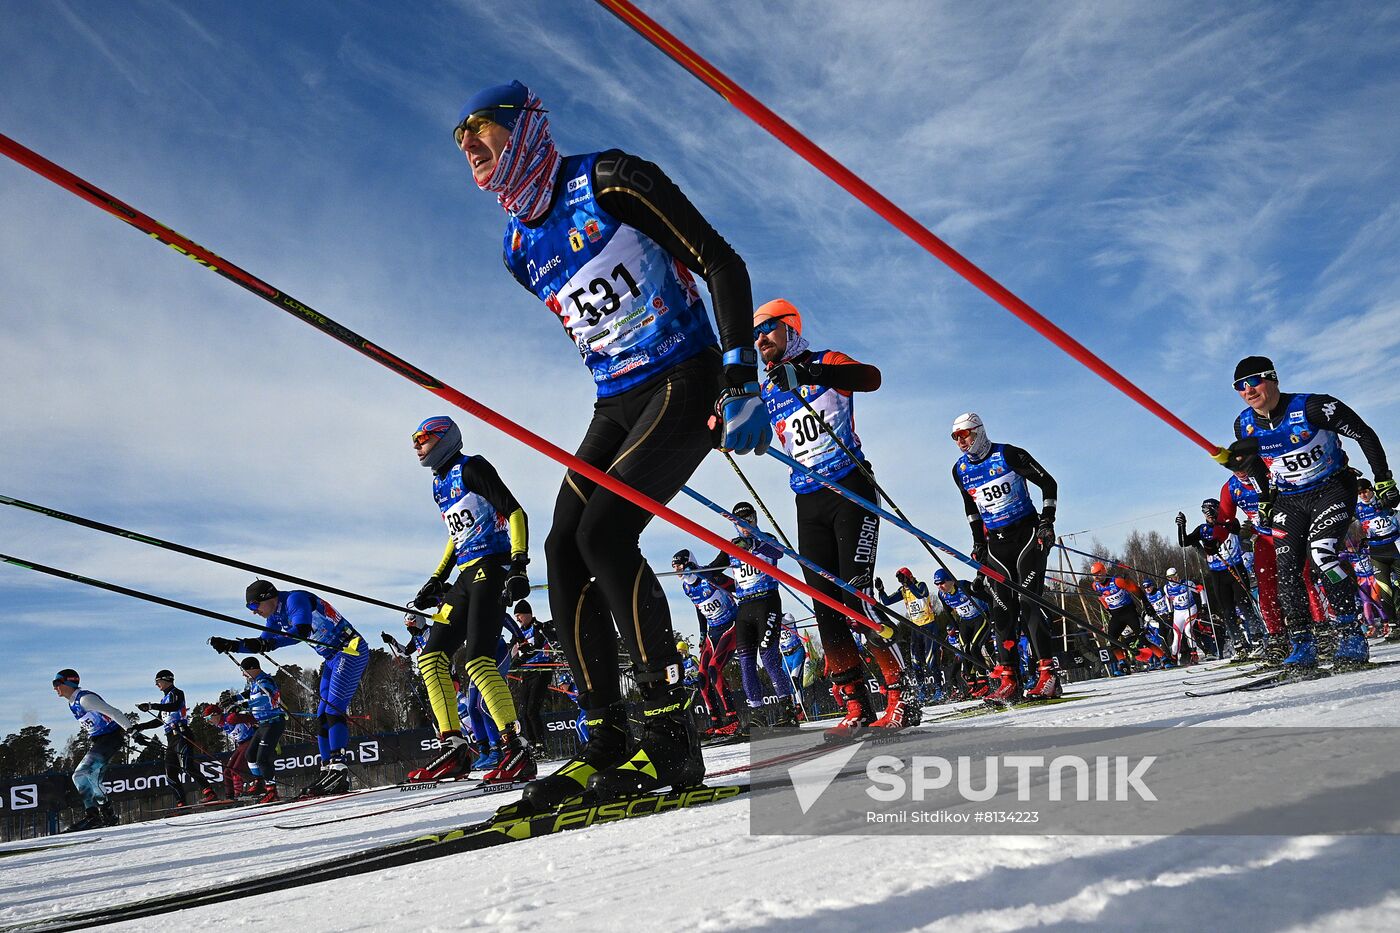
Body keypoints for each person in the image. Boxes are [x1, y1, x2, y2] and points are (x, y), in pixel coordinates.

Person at [455, 80, 769, 808]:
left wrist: (740, 376)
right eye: (457, 137)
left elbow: (721, 260)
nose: (467, 142)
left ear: (527, 126)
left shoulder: (612, 178)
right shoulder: (515, 248)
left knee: (605, 529)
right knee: (563, 543)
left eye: (481, 126)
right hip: (616, 398)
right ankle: (605, 738)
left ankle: (668, 732)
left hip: (685, 378)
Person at [756, 297, 913, 733]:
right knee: (825, 604)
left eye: (768, 328)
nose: (760, 339)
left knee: (856, 596)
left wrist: (812, 373)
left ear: (790, 327)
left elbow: (871, 378)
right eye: (754, 334)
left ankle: (901, 691)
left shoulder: (825, 360)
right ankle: (854, 701)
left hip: (850, 488)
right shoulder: (767, 386)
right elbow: (746, 424)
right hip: (808, 500)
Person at [1230, 356, 1396, 668]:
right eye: (1240, 386)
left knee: (1322, 555)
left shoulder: (1313, 407)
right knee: (1287, 568)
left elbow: (1364, 433)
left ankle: (1350, 631)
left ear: (1273, 378)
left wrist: (1383, 478)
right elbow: (1254, 465)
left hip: (1331, 487)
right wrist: (1264, 497)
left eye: (1254, 381)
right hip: (1289, 500)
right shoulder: (1244, 424)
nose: (1248, 390)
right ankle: (1303, 641)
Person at [405, 416, 536, 784]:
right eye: (414, 440)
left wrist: (519, 563)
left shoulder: (472, 467)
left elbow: (514, 511)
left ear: (445, 438)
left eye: (423, 437)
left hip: (491, 569)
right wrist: (436, 578)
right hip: (465, 574)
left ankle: (516, 747)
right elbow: (455, 534)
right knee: (430, 656)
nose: (416, 445)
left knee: (478, 661)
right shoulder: (438, 485)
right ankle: (455, 746)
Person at [210, 580, 368, 796]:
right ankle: (327, 768)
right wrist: (233, 645)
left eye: (254, 606)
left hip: (350, 650)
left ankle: (339, 768)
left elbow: (301, 630)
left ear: (268, 598)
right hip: (331, 657)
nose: (254, 613)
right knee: (321, 714)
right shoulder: (275, 614)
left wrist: (268, 644)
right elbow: (263, 642)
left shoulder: (295, 599)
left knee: (333, 709)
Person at [950, 412, 1061, 703]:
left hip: (1027, 535)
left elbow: (1049, 484)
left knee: (1028, 602)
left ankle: (1049, 675)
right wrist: (977, 543)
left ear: (979, 431)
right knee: (1002, 611)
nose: (961, 441)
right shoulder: (960, 469)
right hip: (995, 545)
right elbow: (971, 510)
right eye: (956, 437)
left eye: (966, 434)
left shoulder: (1008, 454)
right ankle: (1010, 679)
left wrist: (1047, 522)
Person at [721, 502, 798, 726]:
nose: (746, 526)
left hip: (767, 602)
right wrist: (692, 572)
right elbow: (714, 570)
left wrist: (754, 543)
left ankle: (788, 711)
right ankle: (757, 715)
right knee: (746, 662)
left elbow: (778, 552)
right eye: (740, 522)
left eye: (749, 520)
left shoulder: (765, 538)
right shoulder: (731, 545)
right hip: (744, 608)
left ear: (755, 519)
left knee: (769, 658)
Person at [52, 670, 139, 831]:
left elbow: (114, 712)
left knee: (80, 773)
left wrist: (131, 730)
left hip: (110, 739)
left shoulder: (85, 699)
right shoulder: (72, 703)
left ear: (68, 683)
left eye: (57, 684)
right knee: (87, 777)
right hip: (101, 741)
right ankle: (102, 815)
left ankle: (97, 816)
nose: (55, 688)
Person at [1219, 455, 1287, 662]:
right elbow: (1224, 520)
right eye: (1234, 468)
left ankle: (1321, 630)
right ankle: (1278, 638)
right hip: (1264, 540)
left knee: (1298, 581)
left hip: (1288, 533)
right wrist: (1213, 539)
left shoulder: (1271, 473)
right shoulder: (1230, 488)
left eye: (1243, 466)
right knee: (1265, 590)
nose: (1240, 472)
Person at [1176, 500, 1257, 658]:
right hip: (1217, 574)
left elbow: (1234, 527)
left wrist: (1220, 521)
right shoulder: (1203, 529)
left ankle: (1258, 639)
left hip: (1235, 568)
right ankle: (1239, 644)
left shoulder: (1229, 522)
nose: (1211, 518)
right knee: (1227, 610)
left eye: (1213, 514)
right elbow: (1184, 542)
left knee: (1244, 604)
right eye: (1207, 515)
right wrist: (1181, 526)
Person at [673, 549, 741, 737]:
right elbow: (699, 608)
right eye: (673, 566)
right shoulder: (687, 588)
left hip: (731, 626)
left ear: (688, 563)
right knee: (702, 676)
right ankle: (716, 721)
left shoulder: (710, 577)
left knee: (713, 669)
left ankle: (733, 719)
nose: (676, 569)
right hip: (713, 631)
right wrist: (702, 634)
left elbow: (738, 587)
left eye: (679, 565)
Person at [131, 669, 219, 807]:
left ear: (166, 680)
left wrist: (151, 706)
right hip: (171, 738)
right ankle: (181, 803)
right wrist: (139, 726)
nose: (156, 685)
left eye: (157, 682)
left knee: (187, 766)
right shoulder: (164, 700)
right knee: (170, 772)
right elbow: (159, 721)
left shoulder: (177, 693)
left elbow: (175, 706)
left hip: (181, 734)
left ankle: (209, 793)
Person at [876, 567, 943, 702]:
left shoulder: (920, 585)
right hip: (916, 629)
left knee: (931, 661)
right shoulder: (903, 590)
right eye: (901, 580)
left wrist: (909, 583)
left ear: (910, 576)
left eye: (904, 578)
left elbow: (920, 594)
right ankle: (922, 692)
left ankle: (939, 690)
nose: (902, 582)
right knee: (915, 663)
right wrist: (881, 590)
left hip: (929, 626)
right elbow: (887, 602)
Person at [929, 568, 994, 698]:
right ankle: (972, 681)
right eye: (936, 584)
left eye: (941, 583)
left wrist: (992, 618)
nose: (939, 587)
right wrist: (956, 626)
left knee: (975, 648)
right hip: (965, 621)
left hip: (980, 617)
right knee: (964, 651)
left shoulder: (964, 586)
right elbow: (948, 611)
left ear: (951, 580)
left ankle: (983, 681)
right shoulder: (942, 595)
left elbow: (989, 599)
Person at [1088, 564, 1163, 675]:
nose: (1096, 577)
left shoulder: (1117, 581)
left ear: (1104, 571)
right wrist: (1108, 609)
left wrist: (1147, 604)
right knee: (1112, 640)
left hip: (1129, 612)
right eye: (1094, 575)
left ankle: (1164, 658)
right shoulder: (1095, 586)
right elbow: (1101, 598)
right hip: (1116, 615)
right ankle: (1123, 664)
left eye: (1098, 573)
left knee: (1142, 638)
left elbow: (1135, 589)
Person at [234, 656, 287, 802]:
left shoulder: (265, 681)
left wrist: (243, 706)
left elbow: (265, 698)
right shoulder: (256, 683)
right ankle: (259, 783)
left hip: (273, 723)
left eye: (244, 671)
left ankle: (272, 791)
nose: (243, 674)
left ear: (252, 668)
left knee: (262, 758)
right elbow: (250, 694)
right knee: (250, 754)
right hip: (263, 724)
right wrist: (234, 699)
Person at [1355, 478, 1400, 636]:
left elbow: (1396, 505)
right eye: (1360, 493)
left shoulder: (1383, 500)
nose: (1364, 495)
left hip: (1394, 547)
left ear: (1371, 489)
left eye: (1365, 491)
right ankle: (1393, 624)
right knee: (1384, 589)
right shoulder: (1357, 509)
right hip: (1376, 552)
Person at [510, 600, 555, 748]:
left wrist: (520, 660)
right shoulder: (518, 632)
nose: (517, 619)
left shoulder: (539, 627)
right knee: (523, 711)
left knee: (532, 710)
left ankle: (540, 744)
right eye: (515, 616)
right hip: (527, 673)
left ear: (528, 614)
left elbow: (535, 648)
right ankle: (531, 742)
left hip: (541, 671)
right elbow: (512, 650)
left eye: (519, 615)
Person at [198, 702, 256, 798]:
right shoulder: (220, 724)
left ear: (215, 715)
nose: (208, 721)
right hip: (241, 744)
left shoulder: (230, 718)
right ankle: (229, 796)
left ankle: (238, 794)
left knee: (236, 770)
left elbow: (251, 718)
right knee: (227, 772)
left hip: (251, 740)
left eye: (208, 718)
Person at [1162, 568, 1204, 666]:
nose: (1175, 580)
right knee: (1176, 635)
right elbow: (1168, 599)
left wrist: (1204, 604)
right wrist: (1170, 612)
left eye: (1176, 577)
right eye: (1172, 578)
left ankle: (1194, 654)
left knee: (1188, 630)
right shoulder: (1166, 588)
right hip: (1178, 612)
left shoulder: (1186, 583)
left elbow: (1200, 590)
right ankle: (1174, 657)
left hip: (1190, 609)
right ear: (1168, 578)